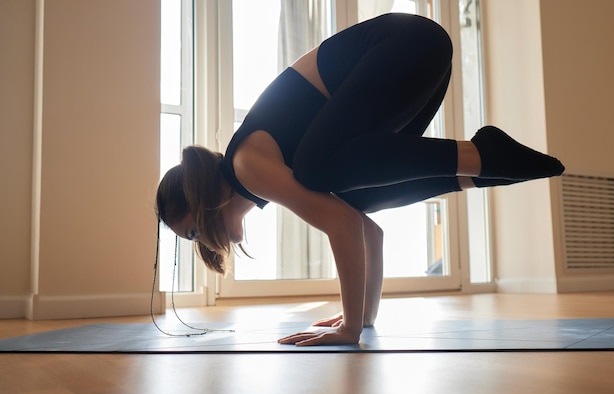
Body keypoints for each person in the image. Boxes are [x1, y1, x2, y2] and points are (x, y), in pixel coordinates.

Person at [155, 13, 564, 346]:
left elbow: (343, 226)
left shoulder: (247, 166)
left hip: (403, 47)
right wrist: (363, 316)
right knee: (355, 196)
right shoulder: (264, 171)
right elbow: (366, 228)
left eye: (192, 232)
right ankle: (482, 174)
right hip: (417, 54)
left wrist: (348, 330)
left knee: (321, 172)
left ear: (203, 201)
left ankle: (484, 155)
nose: (202, 243)